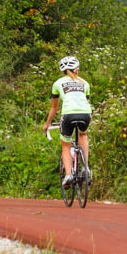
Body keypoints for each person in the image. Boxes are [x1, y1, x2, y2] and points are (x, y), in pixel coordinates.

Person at [41, 55, 92, 186]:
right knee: (82, 134)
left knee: (66, 145)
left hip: (68, 114)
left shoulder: (57, 83)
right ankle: (85, 167)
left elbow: (54, 107)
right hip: (86, 113)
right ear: (76, 70)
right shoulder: (85, 83)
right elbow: (86, 101)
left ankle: (69, 175)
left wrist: (47, 124)